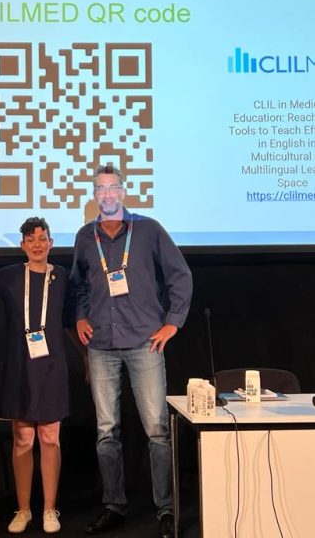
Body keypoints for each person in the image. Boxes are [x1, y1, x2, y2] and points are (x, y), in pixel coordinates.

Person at [70, 164, 192, 538]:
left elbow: (181, 275)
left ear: (123, 192)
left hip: (144, 341)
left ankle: (166, 510)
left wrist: (173, 322)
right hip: (101, 345)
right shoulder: (85, 237)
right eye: (100, 189)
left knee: (157, 429)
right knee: (106, 430)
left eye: (113, 188)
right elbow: (79, 286)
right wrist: (80, 316)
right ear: (94, 196)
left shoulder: (149, 230)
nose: (107, 195)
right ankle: (114, 505)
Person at [0, 217, 70, 534]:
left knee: (50, 437)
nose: (37, 244)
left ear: (51, 242)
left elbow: (74, 320)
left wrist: (88, 361)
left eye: (42, 238)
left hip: (52, 367)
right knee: (23, 439)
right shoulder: (8, 276)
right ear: (22, 244)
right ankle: (23, 509)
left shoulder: (62, 277)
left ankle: (50, 509)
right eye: (31, 239)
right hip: (19, 366)